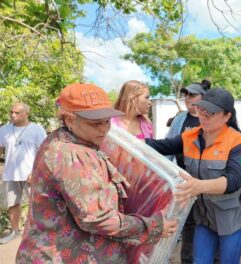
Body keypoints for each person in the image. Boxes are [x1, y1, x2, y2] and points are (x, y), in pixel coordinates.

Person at [16, 83, 181, 263]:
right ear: (70, 119)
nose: (104, 129)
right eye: (95, 123)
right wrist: (153, 226)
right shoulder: (71, 155)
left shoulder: (67, 139)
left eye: (107, 121)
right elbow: (97, 219)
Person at [147, 88, 241, 264]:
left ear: (227, 116)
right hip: (204, 217)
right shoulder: (190, 136)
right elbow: (159, 146)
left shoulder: (237, 143)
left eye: (210, 113)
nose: (203, 116)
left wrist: (198, 186)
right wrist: (121, 136)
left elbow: (234, 180)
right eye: (201, 110)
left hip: (232, 218)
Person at [166, 80, 213, 264]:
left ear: (204, 97)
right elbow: (169, 145)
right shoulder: (180, 119)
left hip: (207, 182)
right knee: (188, 224)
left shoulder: (211, 117)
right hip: (185, 181)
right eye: (186, 95)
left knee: (210, 223)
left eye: (192, 95)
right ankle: (187, 260)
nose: (188, 99)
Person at [0, 103, 46, 244]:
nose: (13, 115)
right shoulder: (4, 130)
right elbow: (1, 149)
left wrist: (35, 171)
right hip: (10, 174)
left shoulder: (36, 129)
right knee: (12, 204)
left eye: (17, 112)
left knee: (37, 205)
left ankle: (38, 233)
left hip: (31, 175)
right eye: (11, 112)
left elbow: (44, 151)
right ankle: (15, 231)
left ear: (27, 113)